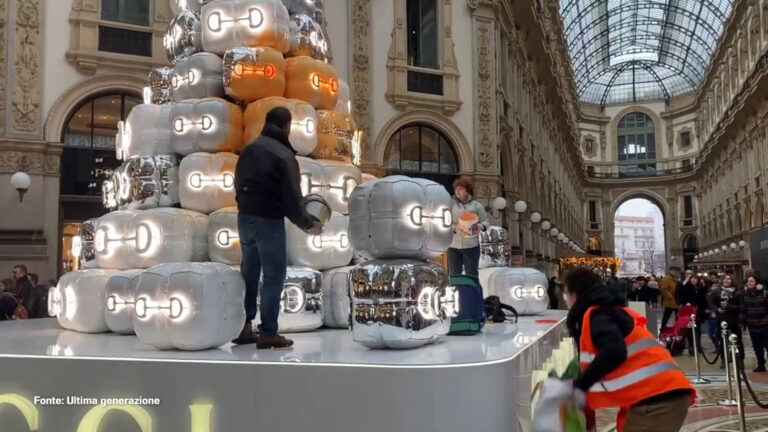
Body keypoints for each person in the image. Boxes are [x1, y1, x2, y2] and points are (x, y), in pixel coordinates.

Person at [562, 267, 694, 432]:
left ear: (575, 294)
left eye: (566, 293)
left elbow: (614, 351)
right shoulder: (610, 312)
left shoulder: (598, 315)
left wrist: (579, 385)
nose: (566, 299)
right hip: (659, 393)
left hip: (657, 397)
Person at [234, 107, 323, 348]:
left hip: (245, 219)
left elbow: (238, 183)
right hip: (268, 221)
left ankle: (243, 326)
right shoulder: (283, 155)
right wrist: (308, 224)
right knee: (274, 276)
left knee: (249, 275)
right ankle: (268, 332)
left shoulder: (249, 150)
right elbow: (291, 197)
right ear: (287, 126)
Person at [447, 179, 487, 277]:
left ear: (467, 190)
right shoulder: (450, 205)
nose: (457, 191)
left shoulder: (477, 206)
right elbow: (445, 221)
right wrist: (454, 228)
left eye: (460, 188)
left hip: (471, 246)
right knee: (454, 274)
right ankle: (456, 291)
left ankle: (472, 292)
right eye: (456, 189)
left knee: (472, 274)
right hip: (453, 246)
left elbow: (485, 220)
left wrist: (481, 226)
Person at [708, 273, 742, 367]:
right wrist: (716, 309)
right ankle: (724, 359)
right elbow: (710, 302)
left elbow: (741, 306)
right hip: (722, 318)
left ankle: (739, 359)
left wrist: (728, 306)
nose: (726, 281)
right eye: (725, 279)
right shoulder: (717, 291)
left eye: (729, 279)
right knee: (722, 340)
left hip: (734, 318)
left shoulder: (737, 292)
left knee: (737, 339)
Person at [739, 275, 768, 372]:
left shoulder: (764, 293)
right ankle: (761, 364)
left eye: (751, 281)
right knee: (757, 346)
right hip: (752, 324)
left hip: (765, 324)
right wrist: (742, 323)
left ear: (756, 282)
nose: (749, 283)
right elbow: (743, 310)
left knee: (767, 344)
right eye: (748, 281)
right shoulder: (744, 295)